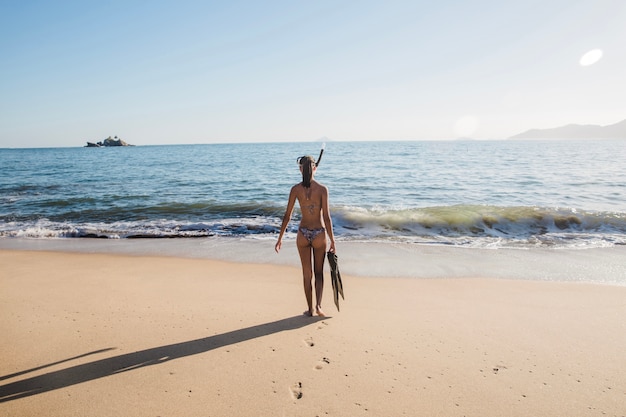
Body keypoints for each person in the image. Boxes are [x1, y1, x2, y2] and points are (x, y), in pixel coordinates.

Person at [275, 155, 336, 317]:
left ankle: (310, 309)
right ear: (315, 168)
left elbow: (287, 215)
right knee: (318, 273)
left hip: (302, 233)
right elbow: (327, 218)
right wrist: (332, 240)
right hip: (319, 234)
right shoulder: (323, 189)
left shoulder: (295, 189)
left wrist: (280, 238)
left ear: (300, 169)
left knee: (306, 274)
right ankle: (318, 306)